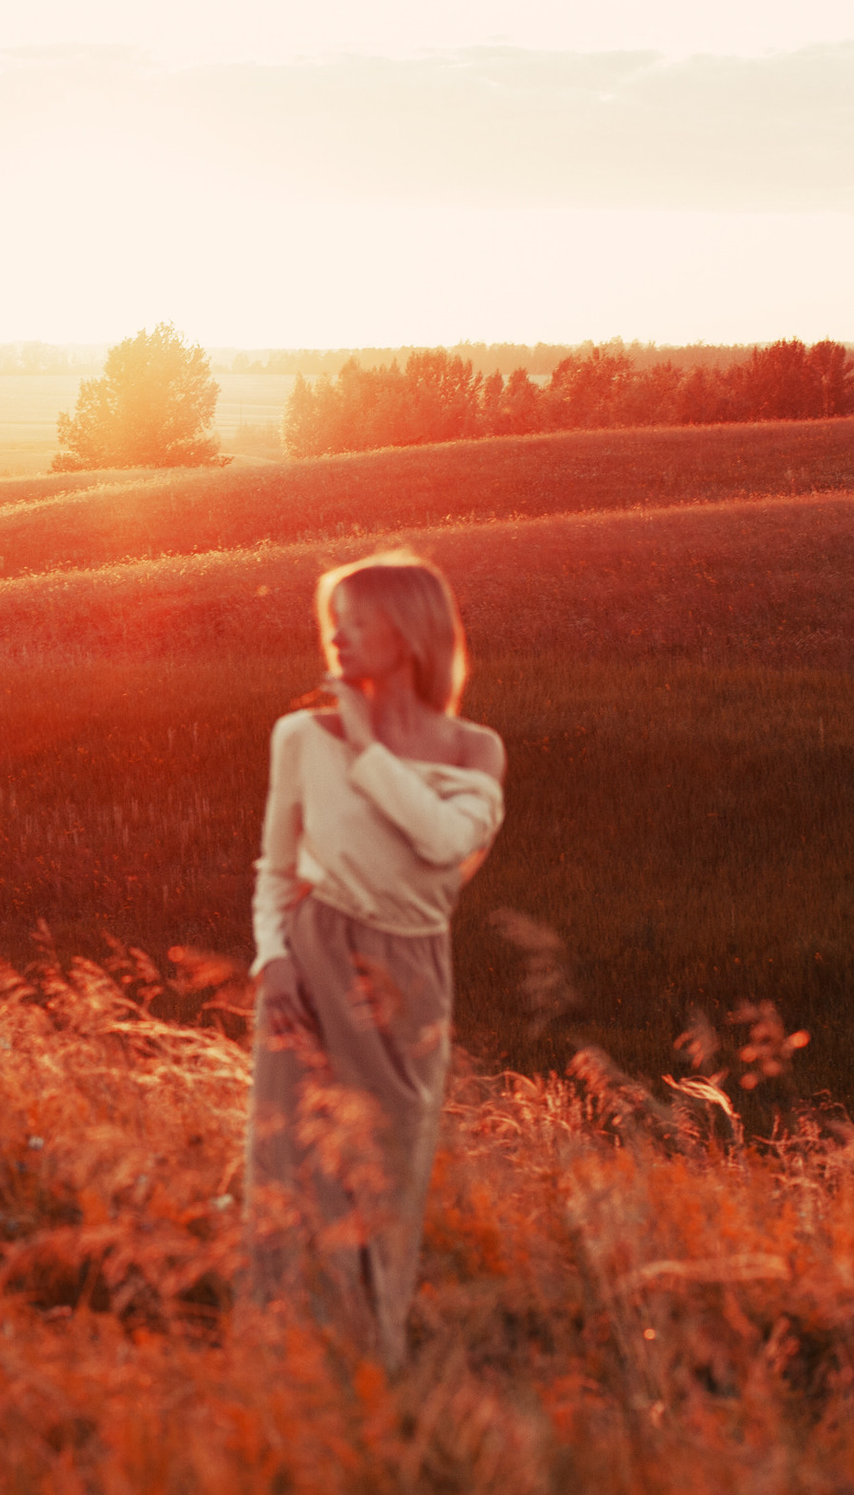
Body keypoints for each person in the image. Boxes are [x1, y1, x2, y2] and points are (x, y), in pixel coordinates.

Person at [244, 548, 505, 1368]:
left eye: (360, 622)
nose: (339, 638)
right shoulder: (299, 735)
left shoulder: (474, 752)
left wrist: (365, 746)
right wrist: (269, 957)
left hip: (410, 974)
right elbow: (276, 868)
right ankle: (281, 1366)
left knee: (384, 1175)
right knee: (294, 1165)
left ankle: (366, 1365)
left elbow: (441, 843)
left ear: (413, 630)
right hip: (309, 957)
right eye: (335, 622)